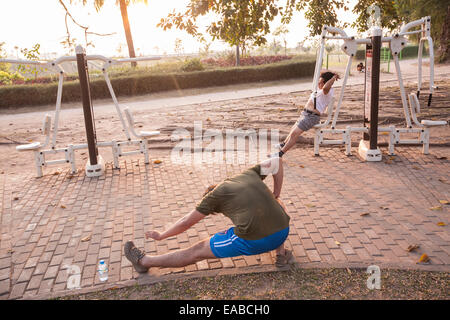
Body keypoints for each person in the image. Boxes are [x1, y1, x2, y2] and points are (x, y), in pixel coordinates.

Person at [124, 157, 292, 273]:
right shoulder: (246, 175)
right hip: (283, 231)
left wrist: (161, 236)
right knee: (276, 203)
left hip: (258, 241)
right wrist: (276, 193)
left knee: (197, 250)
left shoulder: (213, 197)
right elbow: (277, 161)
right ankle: (281, 255)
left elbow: (185, 222)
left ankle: (144, 262)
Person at [273, 71, 340, 157]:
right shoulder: (320, 90)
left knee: (294, 134)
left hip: (312, 117)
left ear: (325, 82)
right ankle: (283, 144)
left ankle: (280, 154)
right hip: (305, 114)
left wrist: (333, 78)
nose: (318, 84)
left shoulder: (327, 91)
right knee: (293, 130)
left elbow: (325, 87)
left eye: (320, 82)